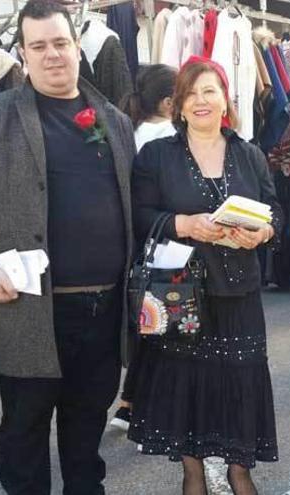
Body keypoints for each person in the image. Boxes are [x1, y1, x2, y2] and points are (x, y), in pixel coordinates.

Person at [0, 1, 136, 493]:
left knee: (86, 436)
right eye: (39, 46)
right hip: (29, 310)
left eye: (60, 43)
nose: (52, 55)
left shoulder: (113, 121)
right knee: (24, 435)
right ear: (23, 53)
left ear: (76, 47)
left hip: (104, 310)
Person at [128, 56, 282, 495]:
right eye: (191, 93)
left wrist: (264, 232)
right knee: (188, 389)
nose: (201, 101)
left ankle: (238, 470)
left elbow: (277, 212)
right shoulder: (157, 156)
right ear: (178, 104)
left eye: (209, 91)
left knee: (239, 383)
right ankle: (193, 472)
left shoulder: (248, 154)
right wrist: (185, 224)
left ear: (225, 101)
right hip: (180, 292)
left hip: (239, 294)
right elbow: (140, 216)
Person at [110, 63, 178, 432]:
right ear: (170, 102)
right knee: (165, 324)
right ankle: (145, 406)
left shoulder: (127, 130)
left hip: (131, 241)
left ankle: (128, 402)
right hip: (165, 240)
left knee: (143, 323)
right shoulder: (170, 136)